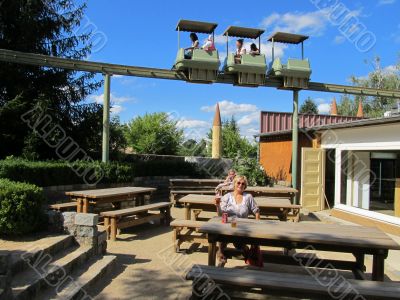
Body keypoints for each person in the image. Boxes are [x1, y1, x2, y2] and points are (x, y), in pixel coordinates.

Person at [214, 175, 261, 266]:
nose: (240, 185)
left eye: (243, 184)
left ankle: (246, 251)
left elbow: (257, 211)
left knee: (239, 246)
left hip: (243, 227)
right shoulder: (227, 196)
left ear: (245, 186)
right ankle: (221, 256)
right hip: (230, 225)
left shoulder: (248, 197)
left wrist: (257, 225)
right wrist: (217, 205)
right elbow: (221, 214)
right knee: (222, 238)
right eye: (238, 183)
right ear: (234, 184)